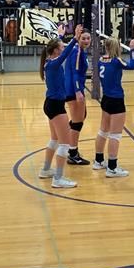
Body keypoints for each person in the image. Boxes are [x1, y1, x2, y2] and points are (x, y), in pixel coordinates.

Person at [38, 25, 82, 189]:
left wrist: (59, 36)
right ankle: (58, 179)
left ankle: (45, 170)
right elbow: (64, 53)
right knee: (64, 143)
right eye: (61, 46)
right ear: (56, 51)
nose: (62, 48)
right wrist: (75, 38)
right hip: (56, 106)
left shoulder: (49, 61)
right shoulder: (55, 63)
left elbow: (59, 49)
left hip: (50, 104)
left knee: (55, 140)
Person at [90, 35, 134, 178]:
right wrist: (133, 49)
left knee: (103, 131)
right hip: (116, 100)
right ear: (116, 47)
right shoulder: (117, 61)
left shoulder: (100, 60)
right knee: (115, 135)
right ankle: (112, 167)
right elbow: (133, 65)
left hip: (106, 99)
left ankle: (98, 161)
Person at [64, 30, 92, 166]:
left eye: (88, 38)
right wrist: (77, 91)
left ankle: (67, 146)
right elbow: (75, 72)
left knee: (82, 116)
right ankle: (73, 154)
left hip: (75, 88)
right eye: (83, 39)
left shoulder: (79, 49)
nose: (86, 41)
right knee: (77, 122)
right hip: (73, 89)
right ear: (78, 39)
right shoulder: (77, 51)